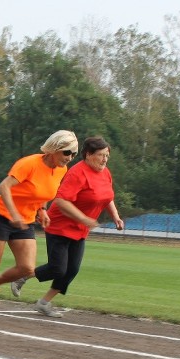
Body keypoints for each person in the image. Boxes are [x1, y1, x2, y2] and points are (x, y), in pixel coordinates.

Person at [0, 130, 78, 321]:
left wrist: (42, 210)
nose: (69, 158)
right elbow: (3, 187)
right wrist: (14, 214)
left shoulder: (61, 170)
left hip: (25, 221)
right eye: (67, 152)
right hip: (2, 216)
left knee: (26, 268)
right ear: (54, 149)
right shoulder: (29, 164)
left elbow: (40, 194)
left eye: (73, 154)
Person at [10, 136, 124, 317]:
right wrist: (84, 218)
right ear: (88, 155)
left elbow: (107, 196)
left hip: (80, 229)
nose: (105, 159)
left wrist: (116, 216)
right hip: (60, 226)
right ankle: (23, 275)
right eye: (101, 155)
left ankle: (44, 303)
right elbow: (61, 201)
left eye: (107, 156)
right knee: (58, 268)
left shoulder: (105, 173)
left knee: (71, 270)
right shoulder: (78, 173)